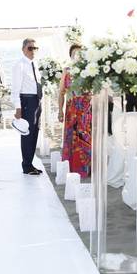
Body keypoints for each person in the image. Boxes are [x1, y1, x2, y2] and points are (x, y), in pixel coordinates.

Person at [58, 44, 91, 177]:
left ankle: (85, 169)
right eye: (74, 54)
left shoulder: (89, 71)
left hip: (86, 110)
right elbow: (61, 92)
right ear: (70, 56)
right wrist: (60, 110)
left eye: (80, 53)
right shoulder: (66, 70)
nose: (77, 56)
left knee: (85, 138)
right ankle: (72, 169)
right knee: (72, 139)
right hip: (72, 110)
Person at [12, 38, 43, 175]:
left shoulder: (34, 64)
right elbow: (15, 88)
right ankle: (26, 165)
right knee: (27, 134)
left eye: (35, 48)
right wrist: (18, 107)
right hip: (27, 102)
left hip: (37, 101)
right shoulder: (19, 65)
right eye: (30, 48)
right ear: (23, 49)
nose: (33, 51)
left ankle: (30, 163)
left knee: (35, 133)